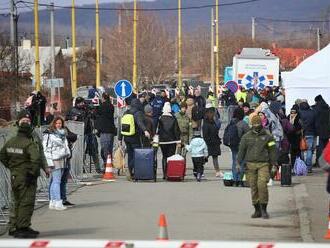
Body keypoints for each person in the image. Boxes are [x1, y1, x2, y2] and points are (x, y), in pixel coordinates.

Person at [0, 110, 47, 238]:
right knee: (23, 201)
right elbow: (35, 157)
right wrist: (13, 166)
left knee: (19, 201)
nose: (26, 122)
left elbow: (40, 152)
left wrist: (45, 167)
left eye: (28, 120)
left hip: (20, 173)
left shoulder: (34, 134)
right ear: (18, 121)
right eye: (24, 120)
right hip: (25, 174)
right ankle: (19, 227)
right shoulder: (14, 135)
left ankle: (18, 226)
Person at [238, 115, 277, 219]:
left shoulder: (268, 136)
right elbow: (241, 150)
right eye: (254, 125)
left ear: (261, 124)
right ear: (251, 125)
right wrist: (238, 163)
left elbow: (273, 151)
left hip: (263, 164)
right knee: (253, 187)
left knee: (262, 185)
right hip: (250, 165)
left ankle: (264, 209)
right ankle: (257, 209)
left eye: (258, 124)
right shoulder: (246, 137)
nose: (256, 126)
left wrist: (274, 164)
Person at [43, 117, 71, 211]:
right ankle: (57, 201)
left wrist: (67, 153)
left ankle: (53, 201)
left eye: (60, 123)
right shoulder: (49, 135)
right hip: (55, 159)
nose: (59, 125)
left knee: (55, 181)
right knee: (56, 181)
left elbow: (66, 145)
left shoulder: (63, 133)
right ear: (54, 124)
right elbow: (46, 149)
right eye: (57, 123)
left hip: (62, 159)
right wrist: (49, 162)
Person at [120, 98, 150, 179]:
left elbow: (122, 125)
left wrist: (120, 138)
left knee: (130, 154)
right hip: (135, 137)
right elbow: (139, 122)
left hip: (126, 137)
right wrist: (145, 131)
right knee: (136, 155)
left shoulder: (126, 112)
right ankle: (133, 172)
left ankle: (130, 172)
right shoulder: (138, 113)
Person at [157, 102, 181, 179]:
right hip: (172, 141)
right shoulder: (173, 118)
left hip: (162, 141)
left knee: (164, 156)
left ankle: (164, 174)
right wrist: (178, 141)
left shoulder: (160, 118)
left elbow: (158, 130)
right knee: (170, 157)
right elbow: (176, 130)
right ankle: (169, 173)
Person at [229, 108, 249, 186]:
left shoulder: (231, 122)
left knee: (234, 161)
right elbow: (249, 134)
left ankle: (234, 180)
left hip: (233, 145)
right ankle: (240, 180)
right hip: (241, 145)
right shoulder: (243, 123)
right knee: (242, 162)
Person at [95, 92, 116, 165]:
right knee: (109, 148)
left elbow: (97, 115)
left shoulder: (102, 107)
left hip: (104, 131)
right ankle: (109, 163)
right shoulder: (111, 106)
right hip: (111, 130)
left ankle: (107, 164)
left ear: (103, 98)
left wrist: (96, 106)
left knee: (105, 148)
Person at [202, 106, 222, 177]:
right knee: (205, 157)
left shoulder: (213, 122)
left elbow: (216, 130)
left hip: (214, 141)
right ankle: (200, 170)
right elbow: (205, 135)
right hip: (209, 142)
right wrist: (208, 141)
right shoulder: (206, 123)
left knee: (214, 157)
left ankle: (217, 171)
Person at [299, 101, 316, 173]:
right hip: (311, 133)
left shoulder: (300, 113)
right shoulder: (313, 112)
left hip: (302, 133)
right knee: (309, 150)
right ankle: (308, 167)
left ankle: (303, 166)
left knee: (302, 149)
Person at [313, 95, 330, 165]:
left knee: (319, 147)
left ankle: (319, 162)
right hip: (327, 131)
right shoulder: (327, 107)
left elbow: (316, 120)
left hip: (319, 131)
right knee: (326, 147)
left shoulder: (316, 108)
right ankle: (326, 161)